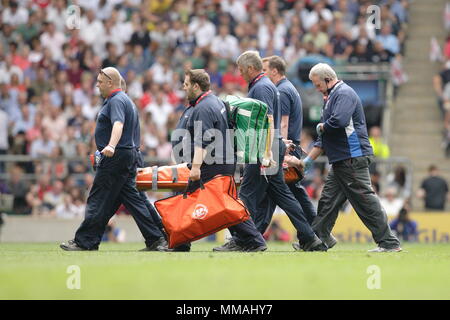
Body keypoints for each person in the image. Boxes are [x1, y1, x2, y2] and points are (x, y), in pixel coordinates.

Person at [217, 51, 326, 252]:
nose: (240, 74)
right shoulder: (266, 86)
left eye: (241, 70)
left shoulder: (261, 87)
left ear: (250, 68)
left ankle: (243, 239)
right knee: (283, 195)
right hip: (268, 146)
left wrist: (267, 152)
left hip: (262, 149)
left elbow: (266, 120)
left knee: (247, 194)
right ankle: (310, 238)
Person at [286, 63, 401, 252]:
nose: (316, 88)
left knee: (365, 201)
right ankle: (317, 241)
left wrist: (322, 126)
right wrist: (307, 161)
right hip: (342, 159)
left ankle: (389, 243)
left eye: (317, 84)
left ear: (328, 79)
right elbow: (324, 139)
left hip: (352, 157)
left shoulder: (343, 94)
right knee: (327, 201)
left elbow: (337, 122)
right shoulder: (330, 97)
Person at [60, 67, 167, 251]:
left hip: (116, 156)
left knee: (99, 198)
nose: (97, 85)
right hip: (127, 155)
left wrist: (110, 146)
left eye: (100, 82)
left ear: (111, 83)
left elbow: (118, 124)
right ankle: (158, 237)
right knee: (135, 199)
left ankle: (85, 242)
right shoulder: (126, 100)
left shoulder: (116, 100)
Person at [173, 68, 267, 252]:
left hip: (213, 163)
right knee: (221, 204)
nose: (183, 88)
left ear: (196, 86)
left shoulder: (203, 108)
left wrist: (196, 167)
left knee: (216, 204)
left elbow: (203, 140)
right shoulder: (215, 101)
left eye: (185, 84)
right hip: (221, 160)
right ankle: (181, 243)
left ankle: (255, 240)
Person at [260, 55, 316, 228]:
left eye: (265, 70)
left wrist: (282, 148)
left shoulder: (281, 91)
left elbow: (283, 122)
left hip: (287, 147)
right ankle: (318, 231)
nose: (262, 74)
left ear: (274, 71)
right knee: (290, 191)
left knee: (281, 191)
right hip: (291, 146)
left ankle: (254, 234)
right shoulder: (288, 87)